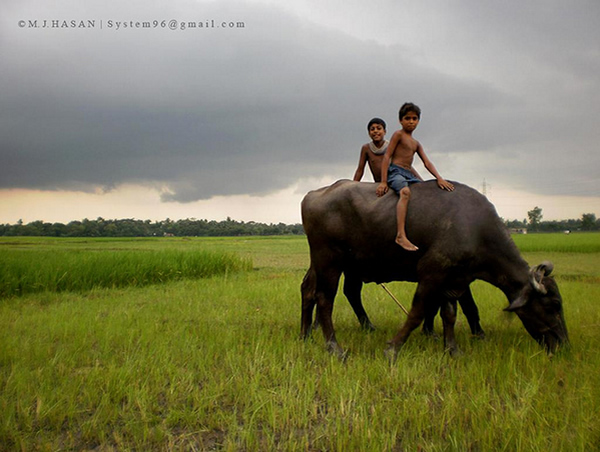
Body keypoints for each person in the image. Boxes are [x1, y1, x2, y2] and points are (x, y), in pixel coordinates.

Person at [376, 102, 454, 251]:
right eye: (407, 118)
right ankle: (400, 235)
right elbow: (387, 157)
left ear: (418, 120)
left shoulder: (416, 143)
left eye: (414, 118)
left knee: (429, 191)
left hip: (409, 174)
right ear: (401, 120)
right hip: (396, 172)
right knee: (405, 192)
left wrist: (439, 177)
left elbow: (426, 162)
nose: (411, 121)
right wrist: (384, 181)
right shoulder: (398, 135)